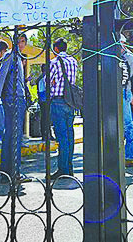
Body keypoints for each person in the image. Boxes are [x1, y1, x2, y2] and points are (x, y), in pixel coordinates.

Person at [0, 40, 28, 182]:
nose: (21, 44)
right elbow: (1, 77)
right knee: (14, 136)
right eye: (19, 41)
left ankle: (7, 172)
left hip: (16, 98)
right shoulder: (10, 55)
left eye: (23, 41)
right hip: (14, 100)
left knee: (11, 136)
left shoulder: (17, 57)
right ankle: (13, 173)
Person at [48, 38, 77, 179]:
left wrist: (54, 81)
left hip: (58, 100)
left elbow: (48, 81)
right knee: (70, 135)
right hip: (70, 101)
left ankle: (63, 169)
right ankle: (69, 167)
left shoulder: (54, 62)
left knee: (62, 136)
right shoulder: (73, 61)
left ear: (56, 48)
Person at [119, 36, 133, 168]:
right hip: (123, 93)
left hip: (124, 92)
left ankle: (130, 156)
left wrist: (132, 100)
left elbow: (127, 80)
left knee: (128, 125)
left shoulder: (128, 57)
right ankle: (129, 154)